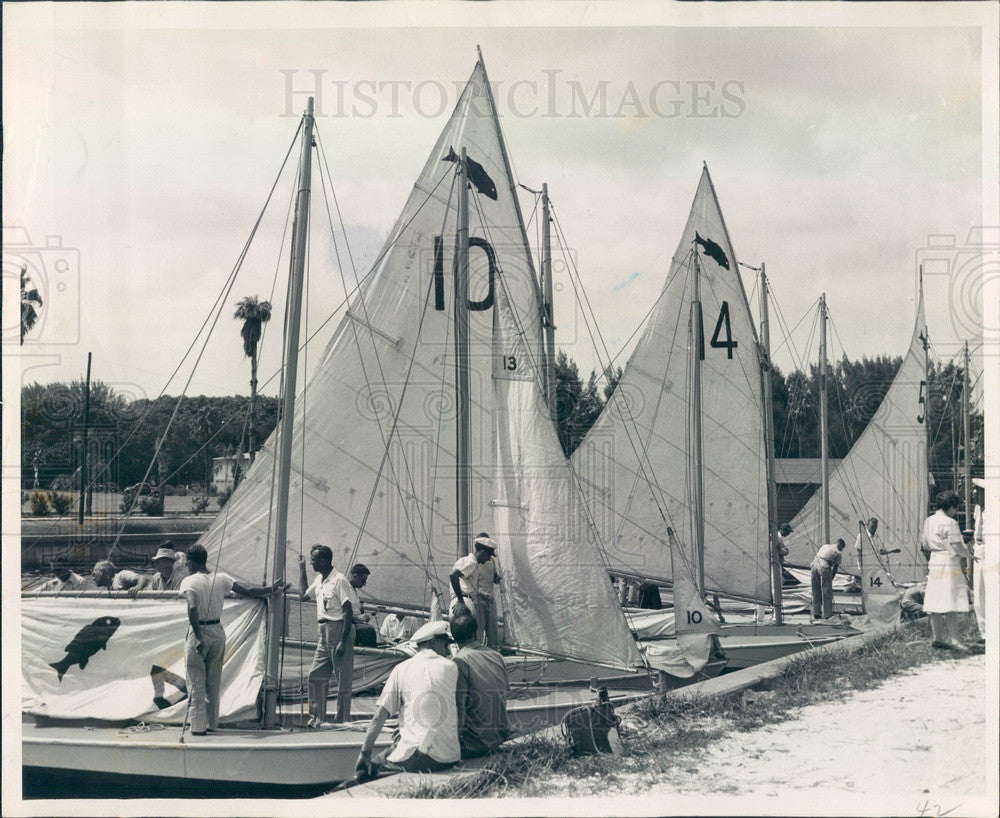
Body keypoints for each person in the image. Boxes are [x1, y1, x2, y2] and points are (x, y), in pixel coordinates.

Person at [180, 545, 284, 735]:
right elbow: (248, 590)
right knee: (214, 681)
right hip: (218, 630)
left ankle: (197, 727)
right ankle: (213, 724)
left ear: (191, 562)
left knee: (196, 681)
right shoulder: (222, 578)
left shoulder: (189, 581)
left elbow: (192, 607)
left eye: (187, 563)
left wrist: (199, 636)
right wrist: (269, 589)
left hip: (199, 630)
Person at [354, 620, 460, 778]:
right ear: (432, 642)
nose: (447, 649)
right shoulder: (451, 667)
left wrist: (364, 752)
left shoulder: (402, 669)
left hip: (421, 757)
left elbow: (378, 717)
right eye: (445, 643)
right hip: (451, 756)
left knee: (367, 772)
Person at [296, 546, 368, 725]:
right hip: (323, 631)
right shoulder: (319, 579)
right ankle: (311, 718)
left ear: (324, 560)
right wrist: (302, 569)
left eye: (313, 559)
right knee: (314, 676)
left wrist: (343, 642)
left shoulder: (339, 580)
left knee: (342, 679)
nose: (311, 562)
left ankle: (342, 720)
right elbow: (302, 596)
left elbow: (348, 612)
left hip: (339, 629)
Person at [451, 610, 509, 758]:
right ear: (475, 632)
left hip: (476, 743)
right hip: (499, 737)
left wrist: (452, 745)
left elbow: (460, 708)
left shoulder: (460, 661)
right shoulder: (497, 656)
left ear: (453, 637)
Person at [921, 491, 975, 651]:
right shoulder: (950, 522)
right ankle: (955, 640)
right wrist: (971, 555)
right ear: (950, 506)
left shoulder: (928, 521)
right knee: (951, 602)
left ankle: (937, 638)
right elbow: (957, 546)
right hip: (948, 562)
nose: (956, 511)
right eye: (955, 507)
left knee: (934, 601)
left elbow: (924, 545)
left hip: (935, 560)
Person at [450, 533, 501, 649]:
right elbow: (453, 575)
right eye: (488, 555)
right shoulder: (471, 562)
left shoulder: (477, 563)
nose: (489, 558)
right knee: (473, 635)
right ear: (483, 552)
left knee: (478, 635)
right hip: (466, 601)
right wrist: (460, 600)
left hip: (471, 599)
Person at [810, 538, 846, 620]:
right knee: (826, 591)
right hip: (824, 566)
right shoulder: (838, 553)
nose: (842, 549)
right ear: (841, 545)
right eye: (842, 547)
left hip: (814, 564)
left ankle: (816, 613)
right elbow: (835, 568)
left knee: (815, 590)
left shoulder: (825, 546)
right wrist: (831, 579)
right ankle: (827, 614)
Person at [971, 480, 985, 645]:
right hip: (979, 549)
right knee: (979, 591)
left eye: (978, 491)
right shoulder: (977, 509)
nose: (975, 494)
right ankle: (984, 632)